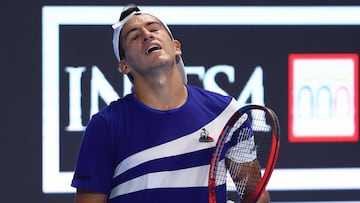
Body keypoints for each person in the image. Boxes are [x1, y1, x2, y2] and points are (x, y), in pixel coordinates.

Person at [71, 4, 270, 203]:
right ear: (124, 66)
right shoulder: (106, 125)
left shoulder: (226, 113)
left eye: (154, 28)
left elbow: (256, 195)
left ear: (176, 47)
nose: (147, 35)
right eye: (133, 35)